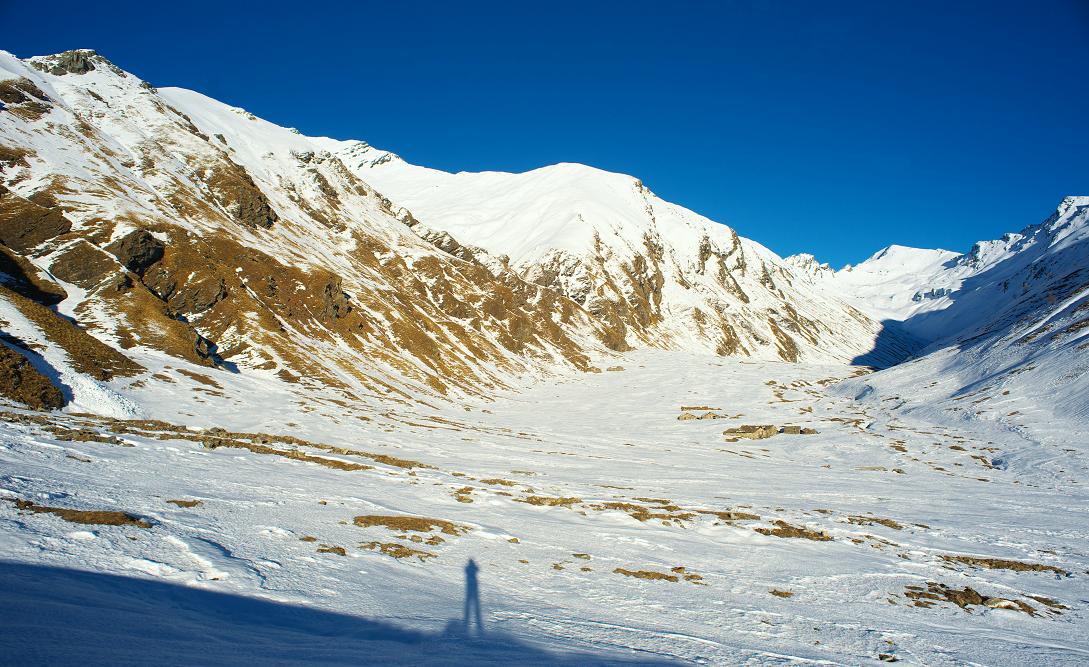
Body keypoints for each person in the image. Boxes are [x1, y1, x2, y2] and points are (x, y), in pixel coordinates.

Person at [463, 558, 483, 635]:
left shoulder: (468, 568)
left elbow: (477, 569)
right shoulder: (469, 568)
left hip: (471, 587)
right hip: (471, 587)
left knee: (472, 602)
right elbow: (477, 569)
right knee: (472, 603)